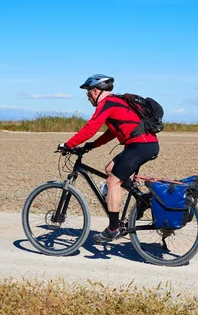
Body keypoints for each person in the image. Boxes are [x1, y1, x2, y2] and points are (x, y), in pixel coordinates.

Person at [57, 74, 160, 243]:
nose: (87, 96)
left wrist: (68, 144)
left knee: (112, 182)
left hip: (140, 145)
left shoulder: (107, 103)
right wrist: (91, 145)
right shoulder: (116, 102)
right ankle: (141, 200)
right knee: (110, 168)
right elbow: (111, 132)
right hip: (144, 144)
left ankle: (113, 228)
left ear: (96, 91)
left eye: (88, 92)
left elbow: (90, 128)